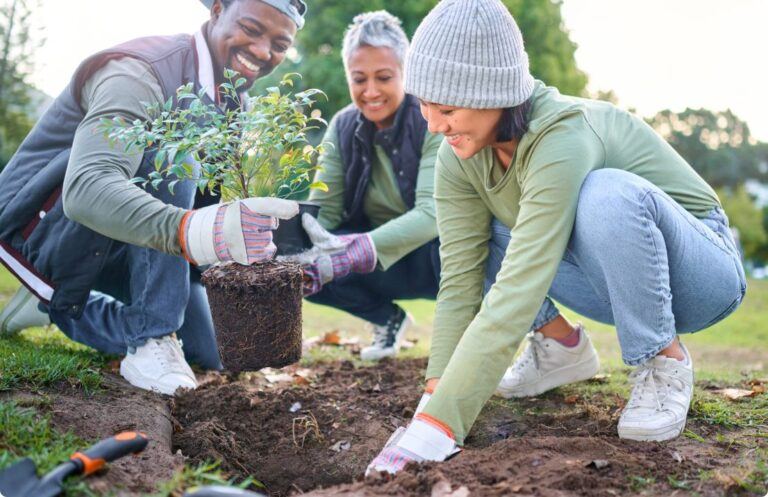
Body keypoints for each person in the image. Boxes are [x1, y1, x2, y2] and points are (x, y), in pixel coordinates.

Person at [367, 0, 746, 474]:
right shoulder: (459, 155)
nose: (433, 124)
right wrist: (433, 402)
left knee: (604, 193)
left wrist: (443, 427)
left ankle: (663, 360)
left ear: (495, 95)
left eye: (446, 108)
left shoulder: (563, 133)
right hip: (609, 280)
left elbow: (523, 279)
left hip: (702, 274)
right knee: (473, 238)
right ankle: (562, 349)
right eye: (422, 104)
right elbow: (461, 278)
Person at [0, 0, 307, 395]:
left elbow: (199, 203)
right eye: (251, 28)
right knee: (173, 155)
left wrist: (250, 251)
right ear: (216, 10)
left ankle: (62, 307)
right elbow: (87, 187)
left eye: (280, 45)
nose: (264, 52)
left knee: (212, 350)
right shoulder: (139, 70)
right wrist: (192, 230)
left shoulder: (232, 102)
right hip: (44, 227)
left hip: (128, 239)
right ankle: (149, 339)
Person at [288, 11, 443, 361]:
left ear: (406, 73)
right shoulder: (342, 126)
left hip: (437, 256)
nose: (371, 91)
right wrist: (289, 252)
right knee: (307, 260)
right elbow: (322, 212)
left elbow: (434, 213)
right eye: (359, 79)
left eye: (384, 77)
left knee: (461, 244)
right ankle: (386, 319)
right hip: (380, 261)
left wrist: (353, 251)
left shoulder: (432, 118)